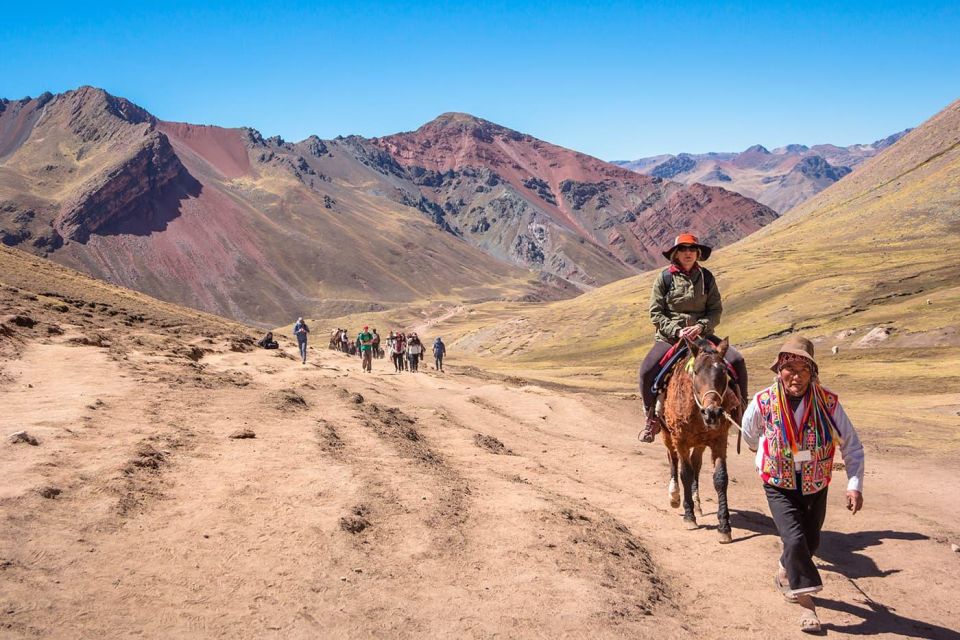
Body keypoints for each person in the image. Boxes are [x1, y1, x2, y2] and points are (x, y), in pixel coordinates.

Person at [742, 336, 865, 634]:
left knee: (810, 542)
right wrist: (765, 452)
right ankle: (807, 605)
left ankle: (786, 568)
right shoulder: (763, 402)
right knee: (795, 540)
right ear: (779, 370)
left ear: (812, 372)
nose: (795, 375)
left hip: (815, 483)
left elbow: (852, 446)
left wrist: (854, 484)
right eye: (789, 368)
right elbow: (749, 434)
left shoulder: (829, 404)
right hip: (778, 483)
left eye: (802, 369)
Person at [637, 233, 748, 442]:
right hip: (671, 338)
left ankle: (744, 414)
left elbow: (715, 310)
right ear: (676, 254)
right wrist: (677, 330)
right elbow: (656, 313)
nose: (688, 253)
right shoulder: (664, 278)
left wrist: (701, 326)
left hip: (702, 336)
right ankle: (651, 418)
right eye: (683, 249)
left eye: (692, 249)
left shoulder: (706, 278)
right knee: (646, 371)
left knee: (737, 360)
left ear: (698, 253)